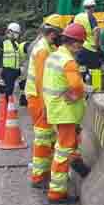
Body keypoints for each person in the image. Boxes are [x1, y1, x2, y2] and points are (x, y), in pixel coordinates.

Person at [42, 23, 89, 204]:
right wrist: (76, 95)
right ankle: (57, 193)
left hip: (55, 108)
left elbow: (47, 84)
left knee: (69, 144)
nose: (81, 47)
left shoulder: (54, 56)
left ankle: (77, 164)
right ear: (76, 43)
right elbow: (76, 85)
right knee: (63, 151)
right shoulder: (68, 61)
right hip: (66, 112)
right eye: (81, 43)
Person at [26, 15, 63, 189]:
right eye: (59, 34)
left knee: (47, 137)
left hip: (39, 98)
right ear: (53, 33)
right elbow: (42, 81)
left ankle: (44, 173)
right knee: (42, 138)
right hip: (38, 99)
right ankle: (38, 177)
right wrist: (47, 106)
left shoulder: (46, 46)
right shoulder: (42, 50)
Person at [74, 0, 102, 91]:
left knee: (81, 66)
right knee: (95, 69)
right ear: (93, 7)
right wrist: (97, 45)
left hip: (80, 46)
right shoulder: (91, 17)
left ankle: (82, 87)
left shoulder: (77, 17)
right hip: (91, 47)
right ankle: (97, 89)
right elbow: (96, 31)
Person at [0, 23, 23, 98]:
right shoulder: (3, 42)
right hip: (7, 70)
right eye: (16, 33)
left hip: (14, 70)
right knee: (7, 90)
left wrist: (18, 68)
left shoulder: (16, 43)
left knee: (11, 90)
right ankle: (5, 106)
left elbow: (17, 57)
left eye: (18, 33)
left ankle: (9, 106)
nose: (17, 35)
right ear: (10, 32)